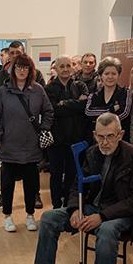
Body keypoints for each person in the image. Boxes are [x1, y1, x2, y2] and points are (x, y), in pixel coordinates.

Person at [19, 113, 133, 264]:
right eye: (100, 137)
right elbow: (77, 186)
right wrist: (75, 209)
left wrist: (102, 216)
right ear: (94, 135)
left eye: (110, 136)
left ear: (120, 134)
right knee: (49, 218)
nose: (104, 142)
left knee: (106, 231)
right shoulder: (92, 153)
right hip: (93, 207)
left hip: (123, 212)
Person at [0, 54, 52, 232]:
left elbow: (48, 111)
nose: (22, 70)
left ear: (31, 70)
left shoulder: (38, 89)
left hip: (31, 146)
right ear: (13, 69)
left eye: (25, 67)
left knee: (31, 184)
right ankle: (7, 216)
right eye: (18, 67)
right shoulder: (4, 91)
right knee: (7, 184)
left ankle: (30, 215)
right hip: (9, 146)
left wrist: (44, 129)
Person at [44, 55, 89, 208]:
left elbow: (84, 107)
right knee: (56, 175)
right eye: (61, 66)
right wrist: (74, 105)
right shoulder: (49, 89)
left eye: (68, 66)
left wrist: (65, 103)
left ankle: (69, 206)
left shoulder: (79, 86)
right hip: (56, 140)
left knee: (72, 174)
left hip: (75, 139)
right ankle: (56, 206)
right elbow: (54, 110)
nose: (65, 69)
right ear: (56, 68)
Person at [84, 56, 132, 134]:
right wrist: (111, 109)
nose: (110, 77)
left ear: (118, 75)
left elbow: (124, 114)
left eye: (114, 74)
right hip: (98, 137)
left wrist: (98, 112)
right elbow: (88, 112)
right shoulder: (94, 95)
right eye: (106, 74)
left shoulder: (126, 92)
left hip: (118, 137)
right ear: (101, 76)